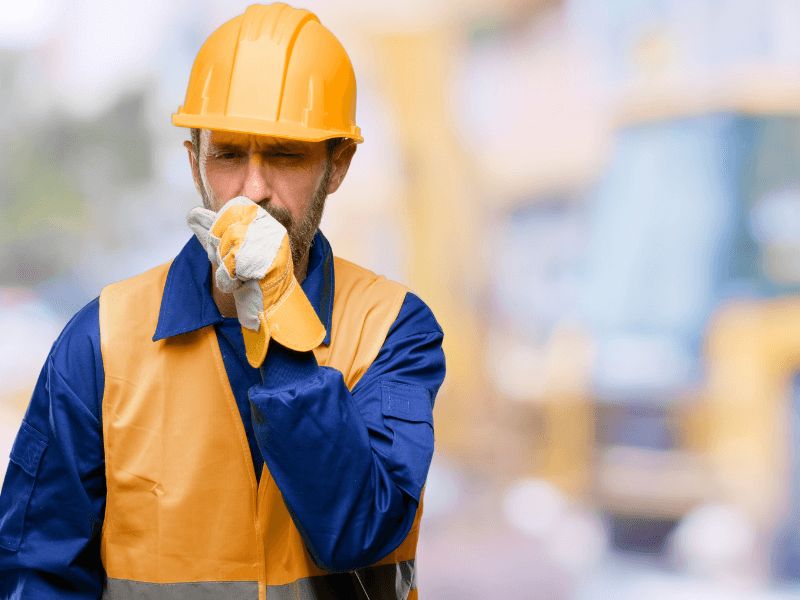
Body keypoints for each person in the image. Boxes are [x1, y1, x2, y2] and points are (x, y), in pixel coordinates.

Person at [0, 3, 445, 599]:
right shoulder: (100, 340)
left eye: (285, 154)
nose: (253, 190)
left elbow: (361, 531)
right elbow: (36, 571)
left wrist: (282, 317)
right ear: (194, 162)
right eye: (229, 154)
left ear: (337, 165)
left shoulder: (392, 328)